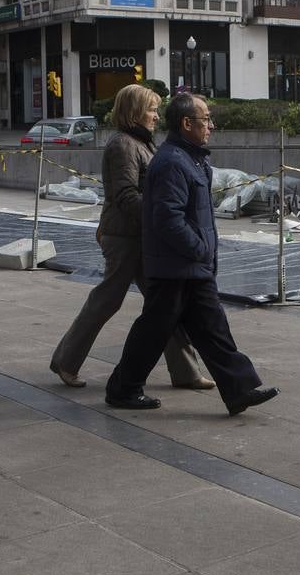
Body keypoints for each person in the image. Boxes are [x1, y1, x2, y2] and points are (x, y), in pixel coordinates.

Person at [105, 93, 278, 416]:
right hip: (177, 266)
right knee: (154, 330)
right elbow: (167, 218)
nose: (211, 125)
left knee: (212, 328)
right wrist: (199, 248)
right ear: (187, 124)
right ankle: (122, 388)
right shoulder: (173, 162)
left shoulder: (191, 158)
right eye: (205, 119)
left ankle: (239, 389)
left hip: (188, 266)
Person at [49, 85, 213, 390]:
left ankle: (186, 372)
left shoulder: (142, 143)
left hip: (141, 237)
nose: (156, 115)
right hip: (125, 238)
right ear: (134, 112)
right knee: (108, 301)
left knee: (166, 305)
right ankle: (66, 361)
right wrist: (161, 216)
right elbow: (125, 196)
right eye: (150, 109)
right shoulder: (123, 146)